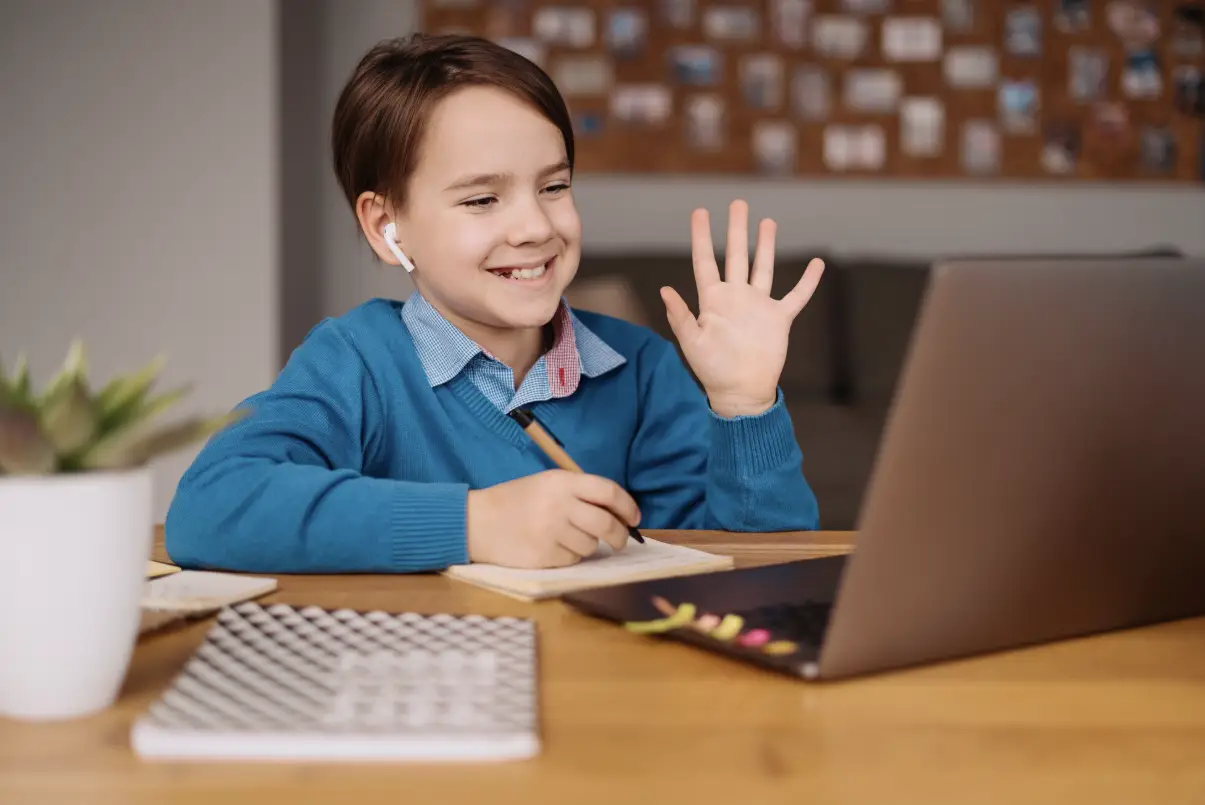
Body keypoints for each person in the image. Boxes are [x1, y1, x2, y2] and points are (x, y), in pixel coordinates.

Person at [164, 33, 825, 575]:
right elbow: (210, 508)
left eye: (554, 185)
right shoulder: (357, 361)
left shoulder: (642, 368)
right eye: (482, 199)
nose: (535, 227)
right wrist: (475, 522)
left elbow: (759, 572)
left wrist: (743, 405)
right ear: (385, 224)